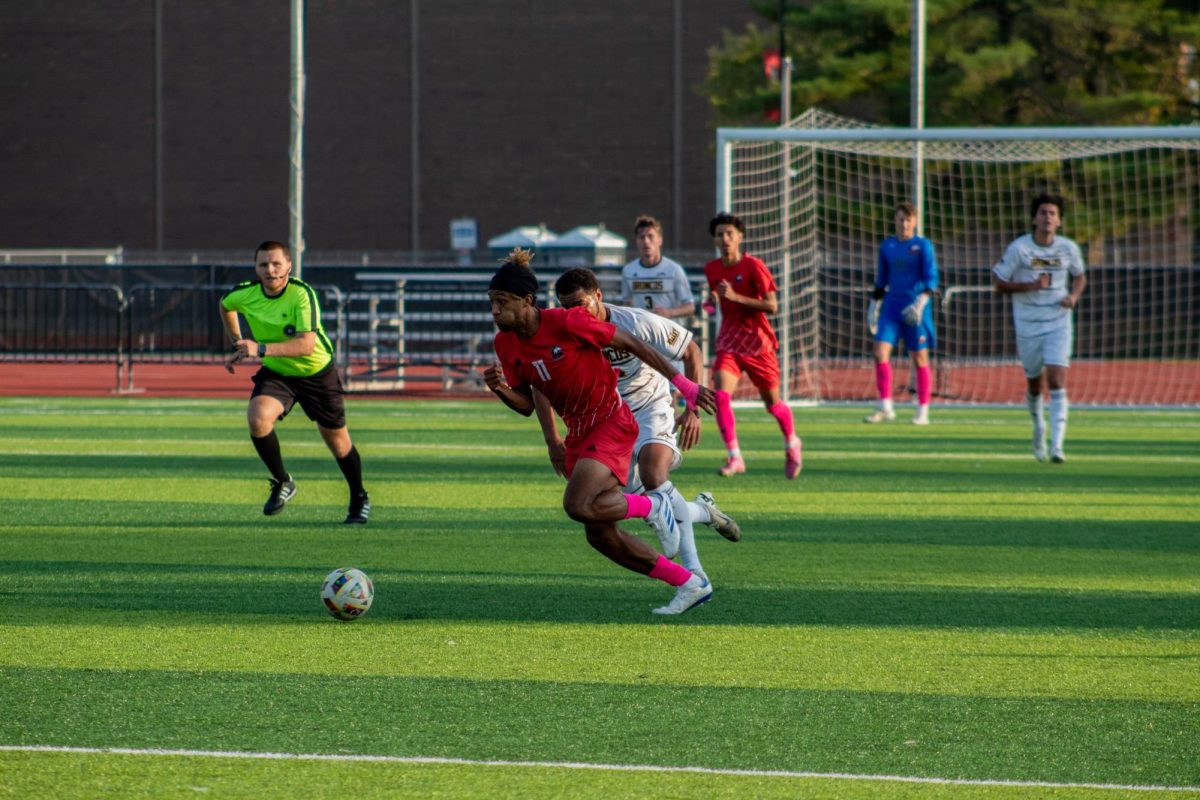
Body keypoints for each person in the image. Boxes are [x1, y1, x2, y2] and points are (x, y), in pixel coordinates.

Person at [484, 249, 718, 615]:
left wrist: (685, 386)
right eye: (491, 303)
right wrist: (500, 389)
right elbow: (528, 402)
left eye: (502, 302)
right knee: (600, 534)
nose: (495, 311)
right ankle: (689, 583)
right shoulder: (506, 343)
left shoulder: (568, 322)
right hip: (579, 432)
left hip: (611, 421)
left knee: (577, 505)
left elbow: (633, 344)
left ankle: (655, 505)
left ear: (527, 301)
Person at [534, 268, 742, 586]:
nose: (574, 313)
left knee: (654, 477)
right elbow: (541, 382)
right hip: (607, 424)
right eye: (566, 307)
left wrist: (692, 409)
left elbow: (690, 349)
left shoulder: (634, 322)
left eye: (580, 304)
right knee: (639, 503)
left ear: (599, 296)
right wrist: (553, 439)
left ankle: (695, 572)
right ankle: (703, 511)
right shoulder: (565, 334)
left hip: (650, 409)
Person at [220, 241, 370, 523]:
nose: (270, 270)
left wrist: (259, 348)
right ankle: (282, 481)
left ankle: (359, 495)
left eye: (277, 263)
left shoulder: (302, 294)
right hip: (278, 372)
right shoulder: (246, 293)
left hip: (316, 373)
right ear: (256, 268)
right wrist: (238, 343)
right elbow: (225, 305)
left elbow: (306, 345)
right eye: (263, 264)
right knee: (257, 418)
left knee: (338, 443)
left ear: (289, 265)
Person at [703, 212, 802, 479]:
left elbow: (772, 305)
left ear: (740, 237)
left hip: (759, 344)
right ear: (714, 239)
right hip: (729, 342)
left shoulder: (754, 266)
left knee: (773, 404)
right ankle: (735, 456)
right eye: (720, 234)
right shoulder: (712, 269)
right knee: (721, 395)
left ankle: (792, 442)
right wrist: (711, 302)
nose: (725, 239)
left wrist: (736, 297)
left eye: (730, 234)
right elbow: (715, 292)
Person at [992, 193, 1088, 463]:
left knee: (1057, 379)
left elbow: (1080, 275)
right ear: (1034, 218)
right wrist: (1030, 286)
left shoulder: (1068, 248)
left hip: (1058, 322)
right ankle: (1038, 429)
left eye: (1053, 214)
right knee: (1035, 384)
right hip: (1028, 325)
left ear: (1059, 221)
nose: (1048, 217)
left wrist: (1074, 297)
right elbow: (998, 282)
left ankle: (1057, 446)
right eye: (1043, 213)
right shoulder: (1019, 249)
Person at [864, 201, 939, 425]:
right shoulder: (887, 246)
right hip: (892, 308)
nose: (904, 223)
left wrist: (920, 302)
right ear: (895, 221)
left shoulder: (923, 246)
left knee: (920, 357)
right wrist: (873, 306)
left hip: (916, 310)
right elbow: (881, 279)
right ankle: (885, 406)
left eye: (908, 220)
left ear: (914, 222)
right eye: (900, 219)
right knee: (880, 351)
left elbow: (931, 278)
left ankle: (923, 410)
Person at [620, 215, 696, 321]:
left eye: (650, 236)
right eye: (641, 237)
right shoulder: (628, 270)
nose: (646, 241)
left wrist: (669, 312)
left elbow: (690, 307)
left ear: (660, 240)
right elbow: (627, 304)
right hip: (643, 332)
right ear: (636, 241)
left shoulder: (674, 270)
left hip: (670, 333)